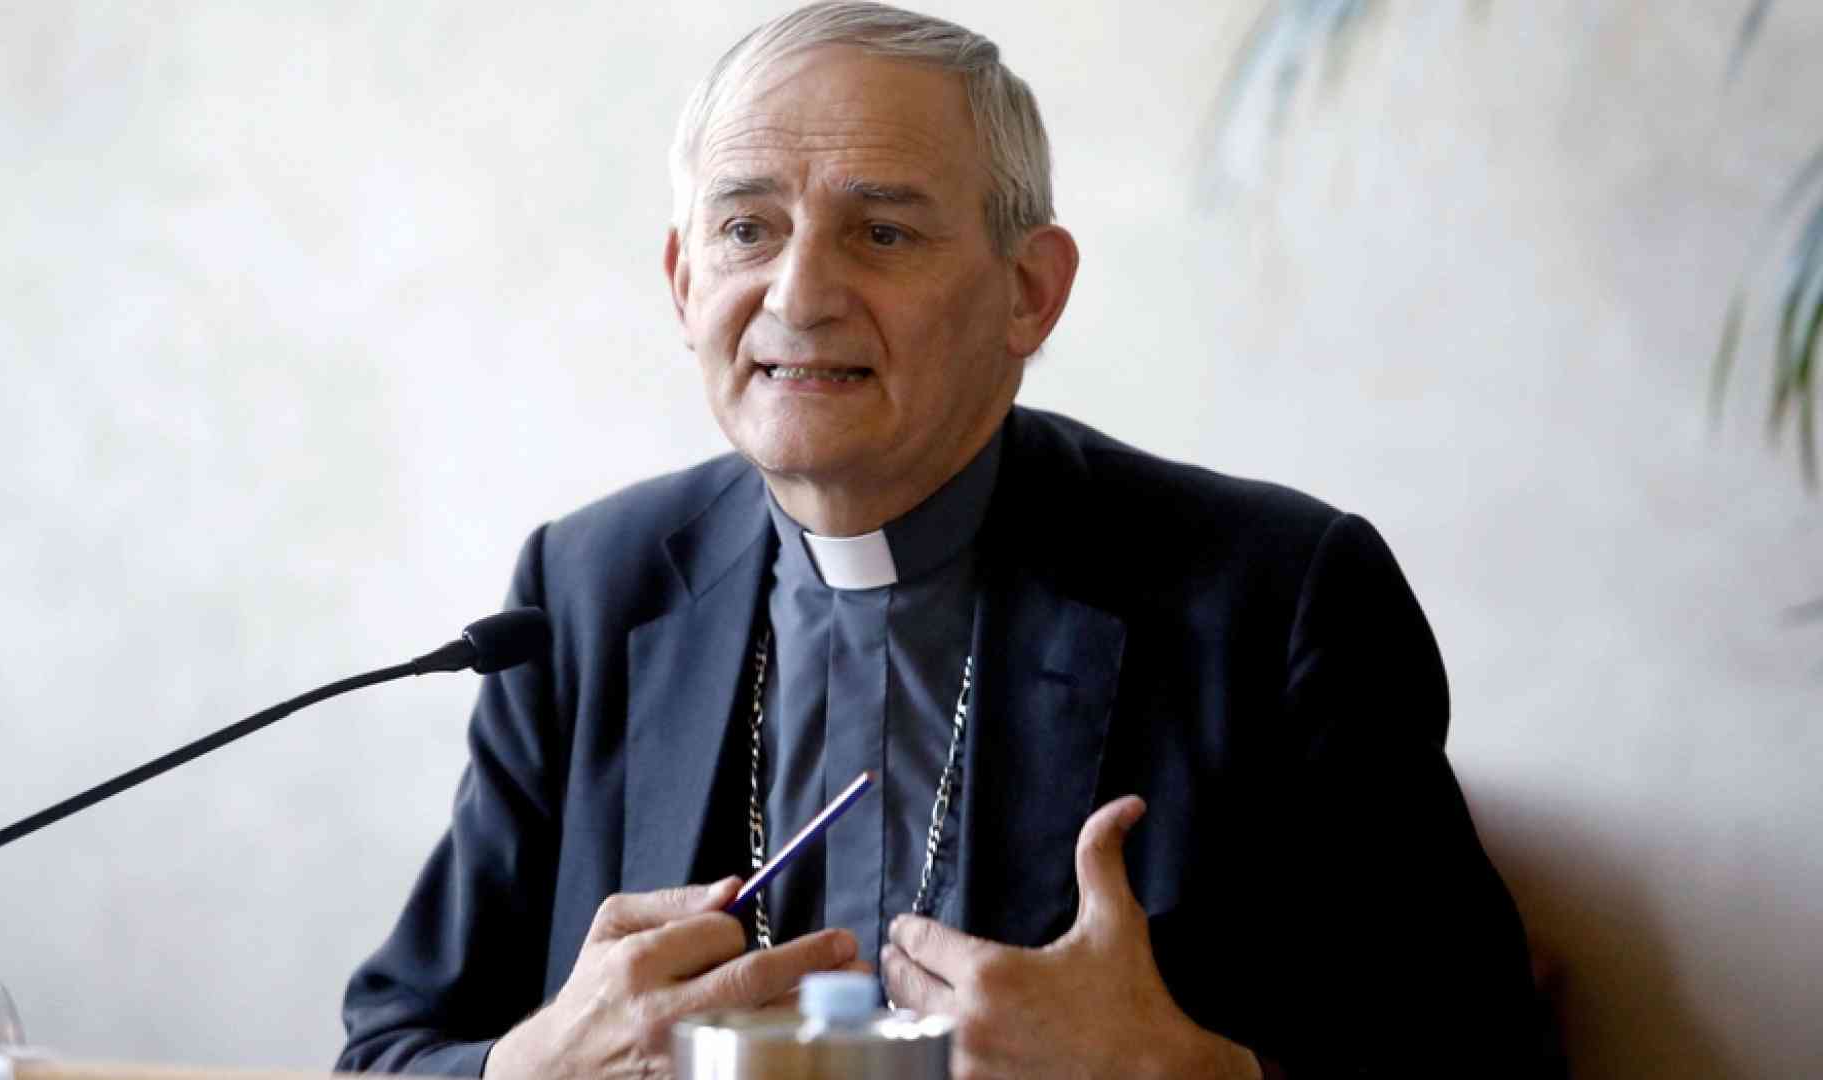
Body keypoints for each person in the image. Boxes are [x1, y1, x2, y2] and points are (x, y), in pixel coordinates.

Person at [338, 3, 1552, 1077]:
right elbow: (388, 1045)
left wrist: (1190, 1076)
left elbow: (1489, 1060)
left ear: (1030, 292)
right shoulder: (585, 594)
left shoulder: (1277, 599)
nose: (798, 295)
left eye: (883, 234)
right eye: (747, 230)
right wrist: (529, 1070)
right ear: (682, 281)